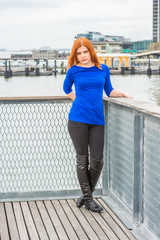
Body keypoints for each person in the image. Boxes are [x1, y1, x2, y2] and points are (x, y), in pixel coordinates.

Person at [63, 37, 132, 213]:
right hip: (77, 120)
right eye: (78, 53)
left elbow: (109, 91)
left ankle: (86, 196)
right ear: (75, 55)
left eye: (85, 52)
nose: (82, 56)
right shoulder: (73, 70)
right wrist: (78, 101)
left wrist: (123, 94)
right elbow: (66, 89)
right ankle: (89, 200)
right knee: (82, 159)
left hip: (97, 121)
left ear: (90, 51)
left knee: (97, 160)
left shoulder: (103, 69)